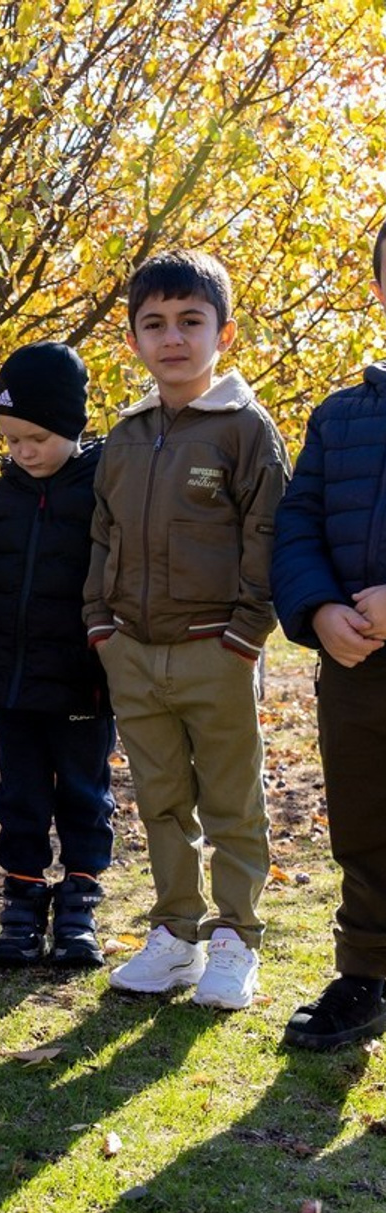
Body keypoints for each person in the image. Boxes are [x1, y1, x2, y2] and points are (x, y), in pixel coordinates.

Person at [84, 250, 289, 1009]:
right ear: (134, 339)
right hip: (133, 652)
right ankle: (175, 934)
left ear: (223, 334)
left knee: (232, 800)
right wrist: (100, 626)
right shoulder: (126, 435)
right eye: (155, 324)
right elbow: (102, 534)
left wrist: (245, 636)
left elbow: (268, 536)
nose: (173, 338)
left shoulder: (245, 430)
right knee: (161, 799)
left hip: (216, 651)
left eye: (190, 322)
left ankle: (236, 938)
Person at [0, 342, 115, 968]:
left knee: (83, 793)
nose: (24, 451)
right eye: (12, 439)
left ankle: (79, 901)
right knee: (19, 795)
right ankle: (23, 898)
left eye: (39, 438)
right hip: (13, 686)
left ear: (72, 425)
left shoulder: (102, 494)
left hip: (82, 687)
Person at [272, 223, 386, 1050]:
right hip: (357, 665)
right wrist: (316, 611)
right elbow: (297, 526)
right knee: (366, 821)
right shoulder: (340, 417)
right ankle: (366, 975)